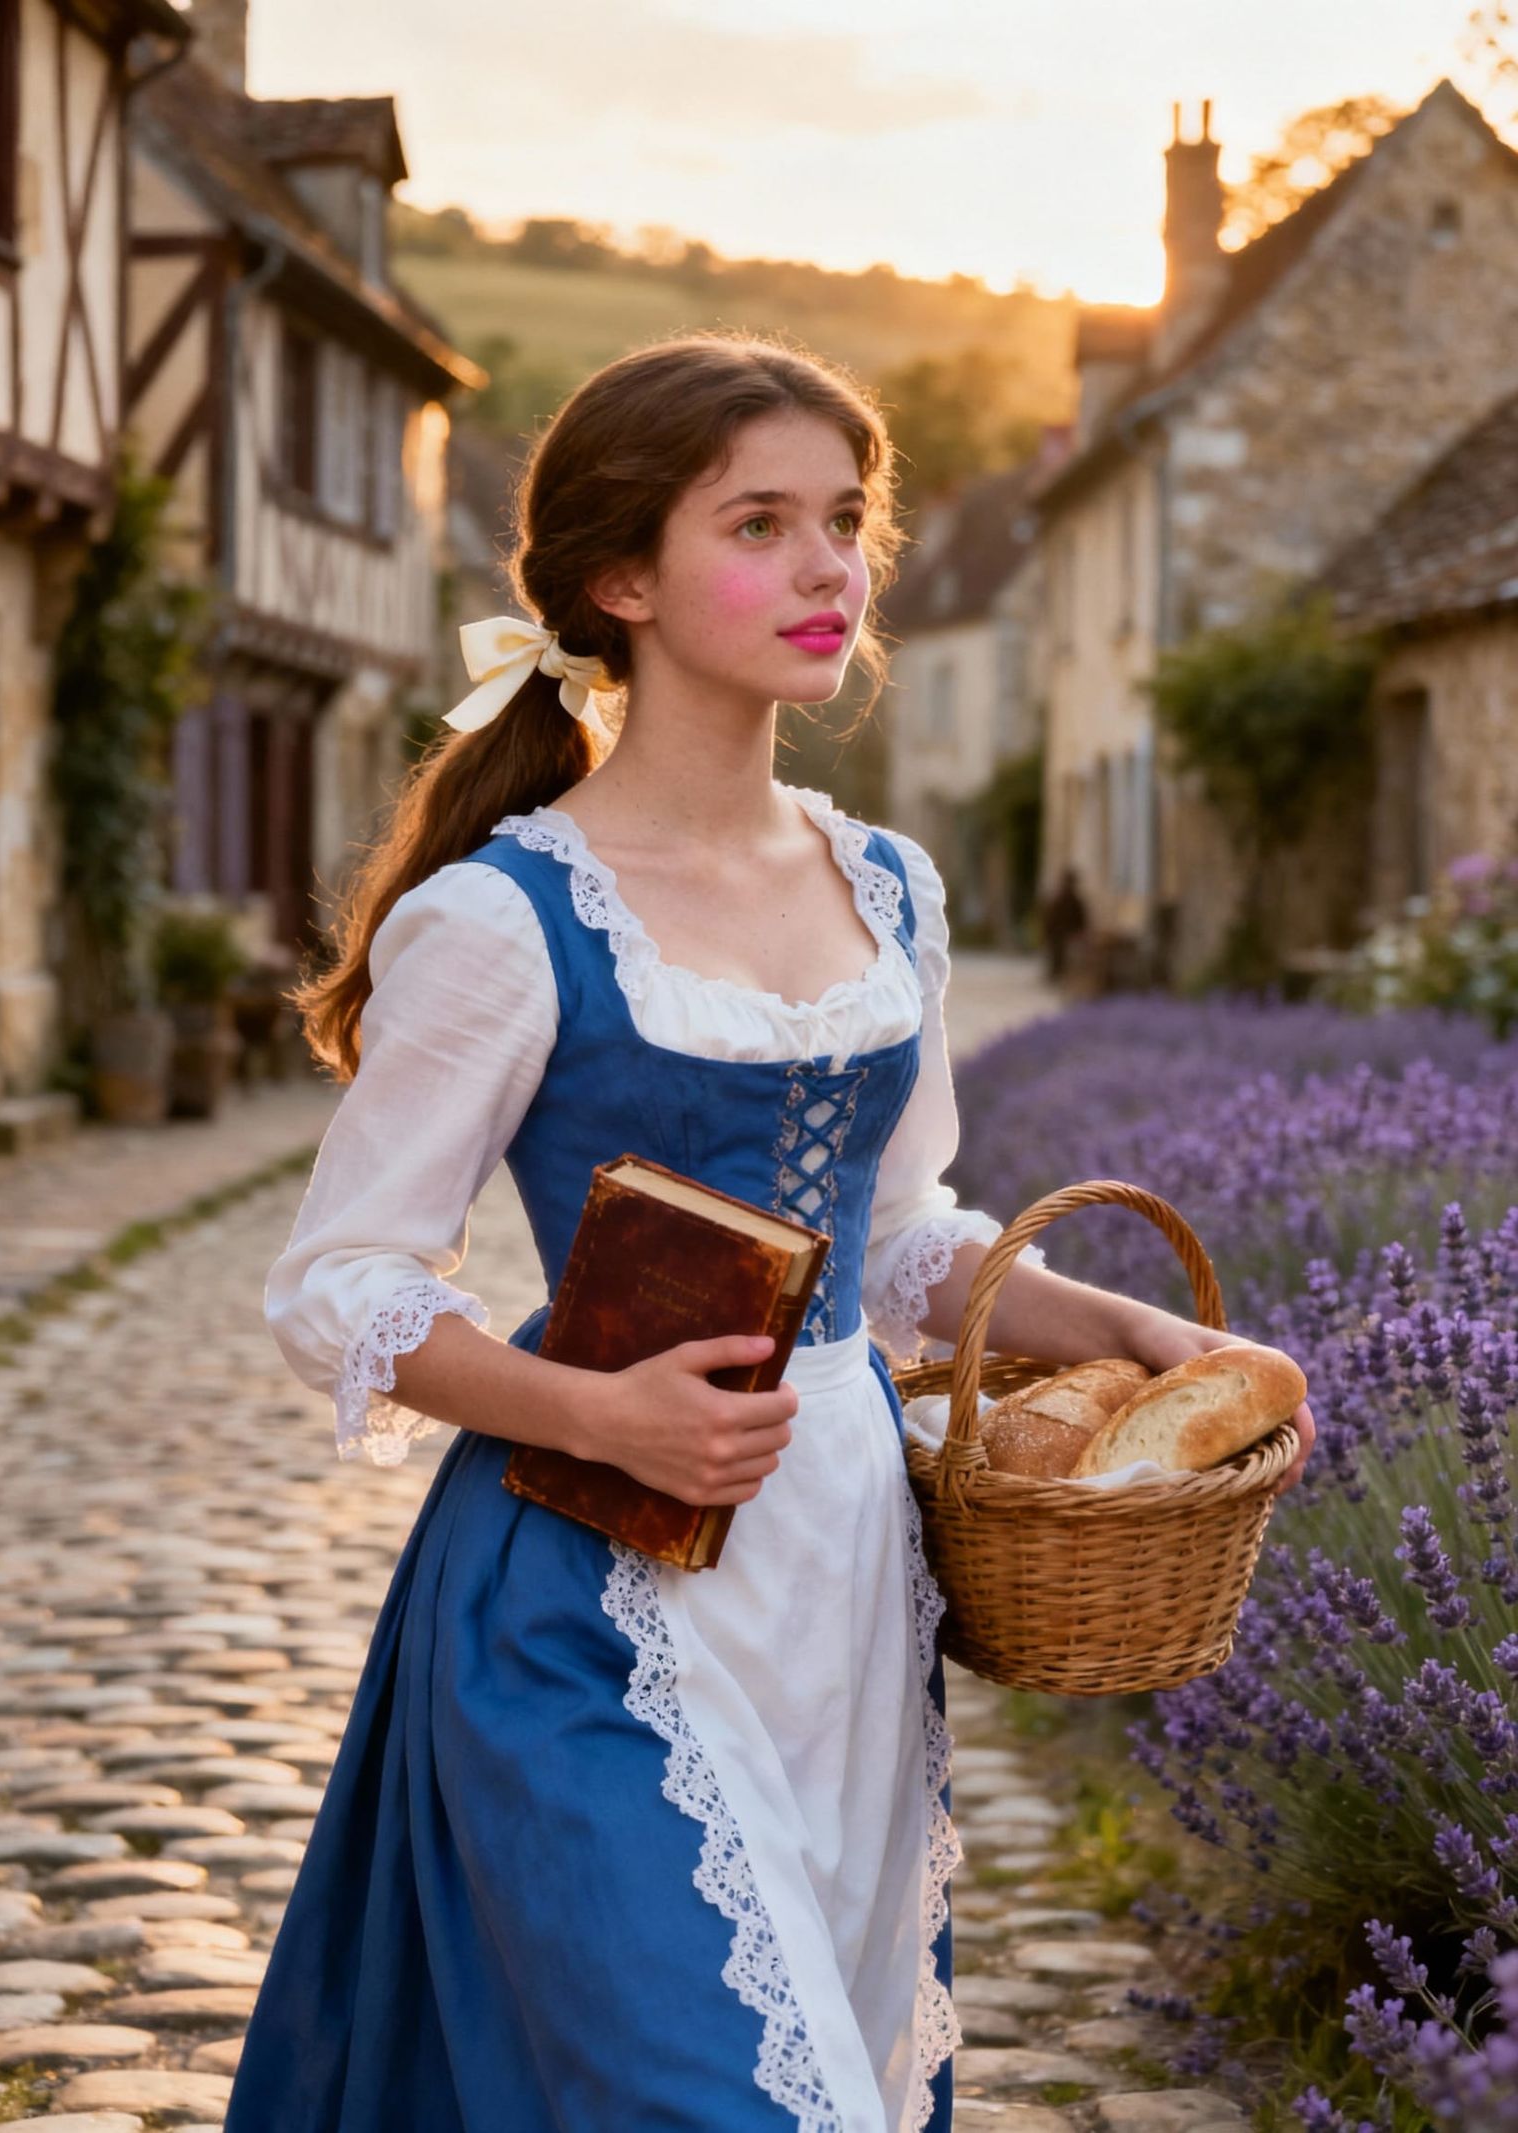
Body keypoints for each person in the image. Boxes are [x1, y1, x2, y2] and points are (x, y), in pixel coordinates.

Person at [224, 333, 1316, 2133]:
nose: (829, 572)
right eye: (762, 524)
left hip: (843, 1587)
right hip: (580, 1588)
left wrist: (1134, 1335)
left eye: (846, 521)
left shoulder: (891, 886)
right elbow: (338, 1283)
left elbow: (901, 1239)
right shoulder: (507, 920)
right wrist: (600, 1410)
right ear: (621, 579)